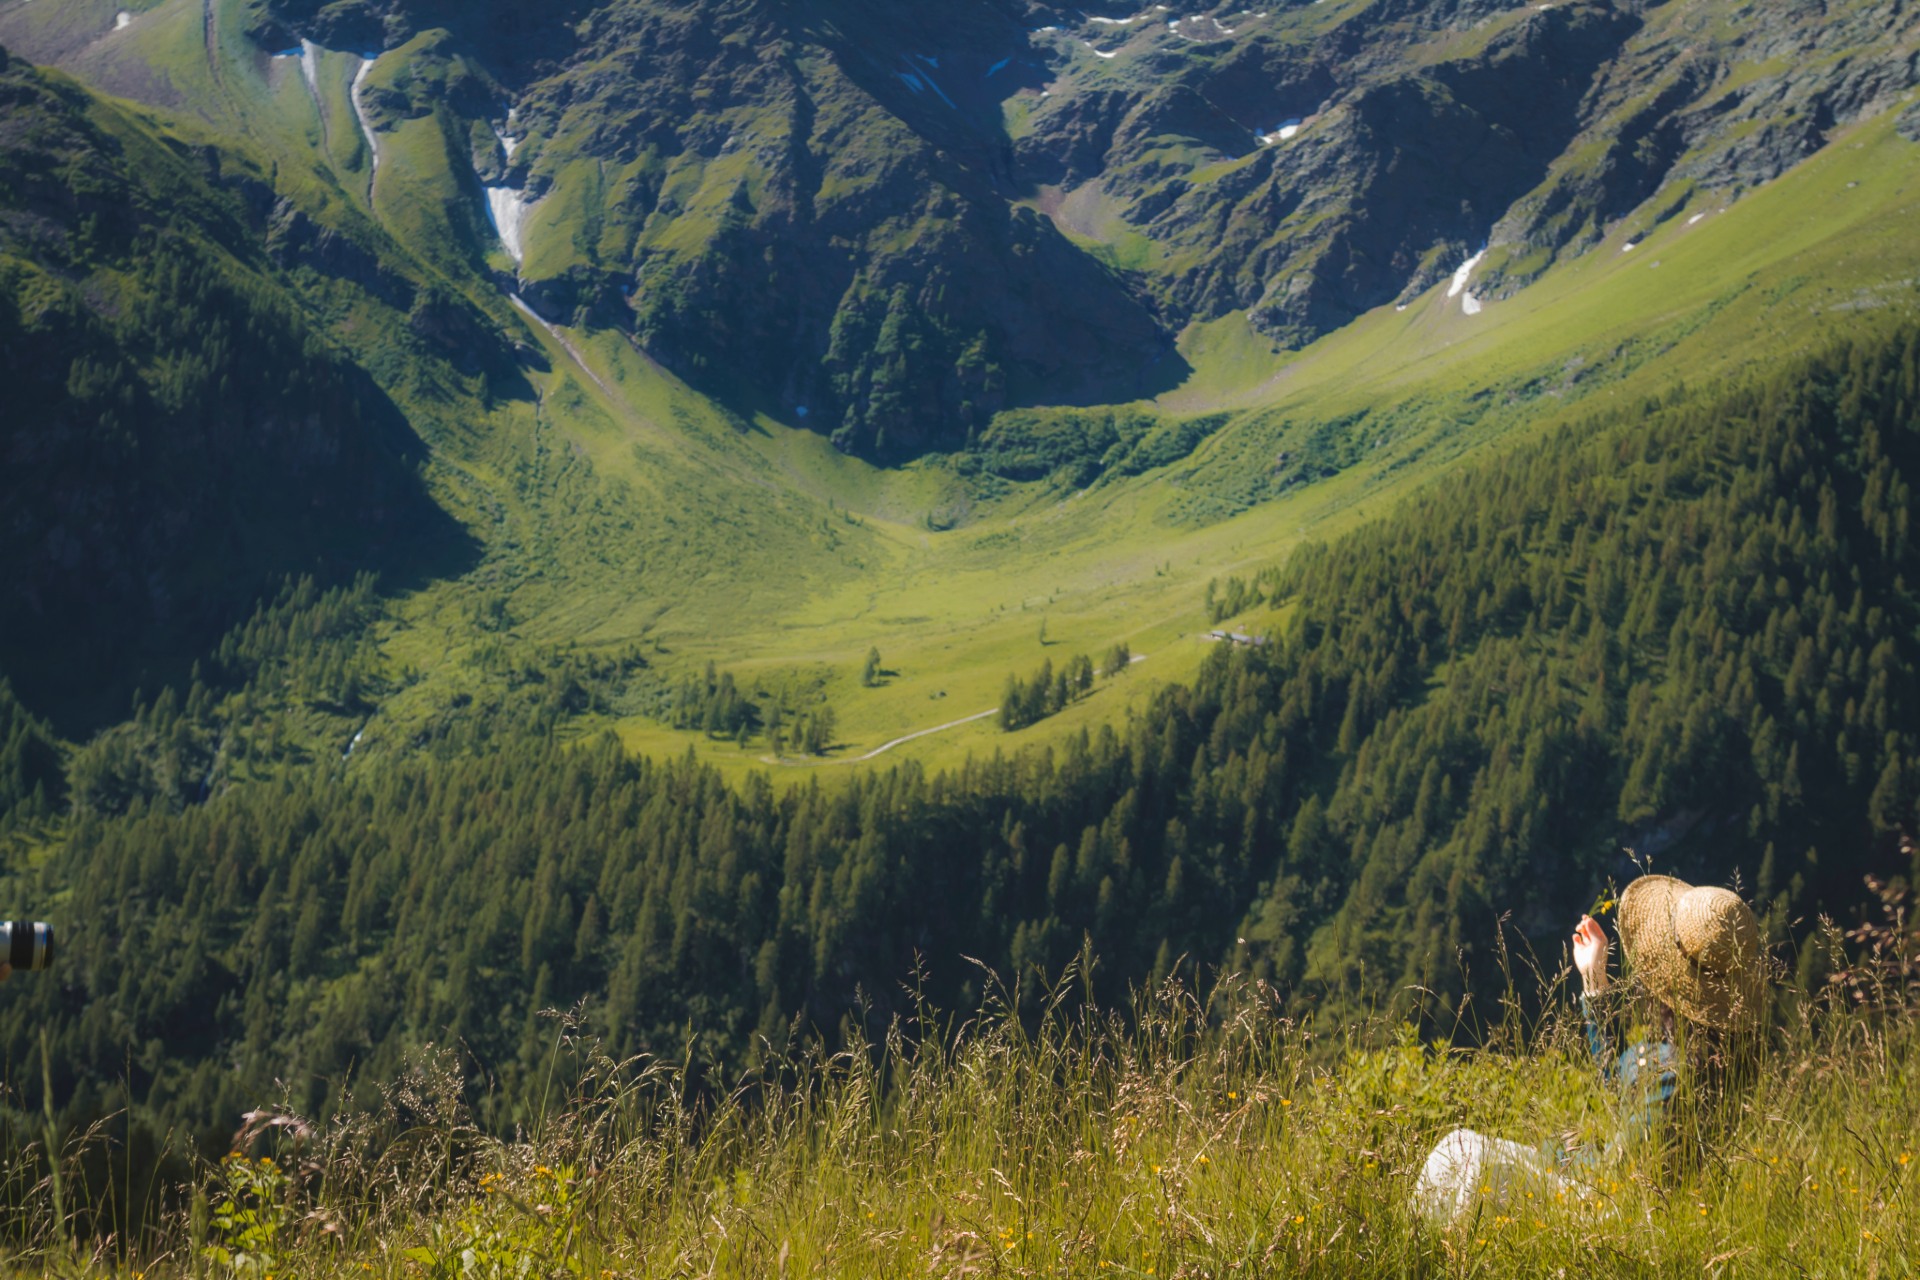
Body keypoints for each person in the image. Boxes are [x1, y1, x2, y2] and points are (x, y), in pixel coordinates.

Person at [1414, 874, 1765, 1222]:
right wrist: (1595, 979)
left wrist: (1564, 1155)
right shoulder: (1724, 1063)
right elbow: (1626, 1087)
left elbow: (1617, 1177)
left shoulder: (1667, 1069)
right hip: (1634, 1200)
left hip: (1606, 1210)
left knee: (1460, 1155)